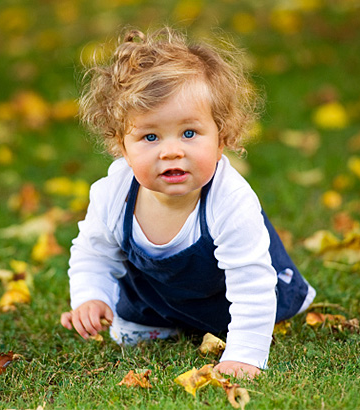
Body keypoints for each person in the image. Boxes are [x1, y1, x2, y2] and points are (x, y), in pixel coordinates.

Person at [60, 27, 315, 379]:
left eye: (190, 133)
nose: (171, 150)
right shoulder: (113, 193)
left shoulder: (231, 201)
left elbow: (251, 283)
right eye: (150, 136)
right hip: (156, 298)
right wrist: (91, 296)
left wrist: (244, 354)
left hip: (227, 300)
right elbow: (94, 253)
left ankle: (224, 329)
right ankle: (161, 319)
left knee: (243, 316)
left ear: (222, 136)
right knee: (127, 332)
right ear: (121, 145)